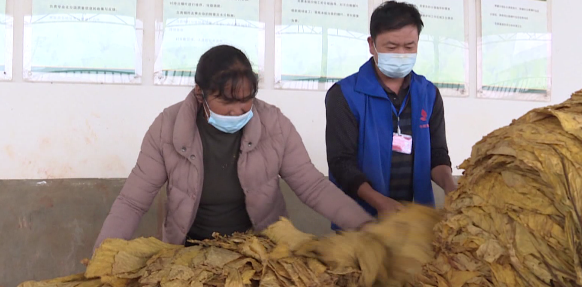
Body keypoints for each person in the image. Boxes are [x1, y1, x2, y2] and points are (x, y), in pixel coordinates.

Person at [94, 45, 373, 249]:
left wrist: (365, 227)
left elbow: (313, 186)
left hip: (258, 249)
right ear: (199, 92)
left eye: (246, 100)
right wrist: (101, 261)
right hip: (189, 250)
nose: (236, 111)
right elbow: (132, 202)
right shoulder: (168, 127)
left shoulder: (274, 125)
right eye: (225, 102)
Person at [325, 0, 457, 230]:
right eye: (391, 47)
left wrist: (452, 187)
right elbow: (341, 163)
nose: (401, 54)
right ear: (371, 44)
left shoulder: (429, 94)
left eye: (409, 47)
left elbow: (437, 154)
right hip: (359, 222)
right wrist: (380, 203)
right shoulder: (344, 95)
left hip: (415, 221)